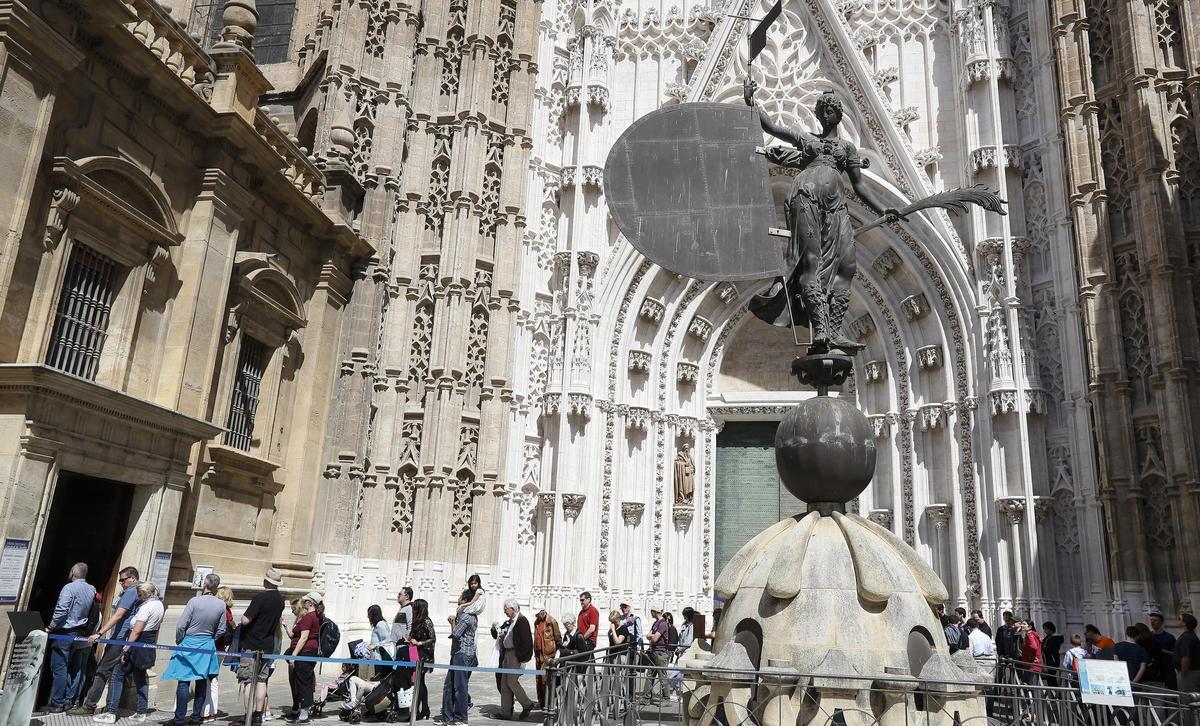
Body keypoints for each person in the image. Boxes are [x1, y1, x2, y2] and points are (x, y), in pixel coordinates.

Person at [741, 79, 901, 349]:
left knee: (847, 265)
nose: (824, 115)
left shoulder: (847, 148)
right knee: (810, 262)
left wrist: (882, 209)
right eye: (820, 111)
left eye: (829, 110)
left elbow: (859, 185)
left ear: (838, 114)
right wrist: (752, 102)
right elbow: (772, 127)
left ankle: (834, 330)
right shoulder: (807, 139)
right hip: (805, 196)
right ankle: (821, 329)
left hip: (836, 206)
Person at [73, 566, 141, 716]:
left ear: (133, 578)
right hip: (124, 639)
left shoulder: (131, 592)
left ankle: (89, 706)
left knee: (102, 671)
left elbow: (118, 615)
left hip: (118, 639)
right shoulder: (137, 592)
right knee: (116, 675)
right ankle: (111, 708)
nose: (120, 583)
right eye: (120, 580)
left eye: (123, 580)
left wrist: (99, 633)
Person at [163, 574, 226, 726]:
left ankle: (179, 719)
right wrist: (211, 638)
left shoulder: (194, 601)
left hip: (189, 642)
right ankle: (196, 718)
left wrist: (180, 639)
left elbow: (181, 625)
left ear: (205, 585)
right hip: (207, 643)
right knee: (201, 682)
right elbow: (222, 629)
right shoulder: (221, 605)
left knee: (183, 682)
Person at [95, 582, 161, 723]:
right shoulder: (159, 604)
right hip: (147, 644)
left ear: (147, 593)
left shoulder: (146, 607)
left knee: (117, 675)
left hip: (136, 645)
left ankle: (111, 712)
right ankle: (141, 712)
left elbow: (136, 631)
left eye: (140, 594)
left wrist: (126, 649)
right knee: (140, 678)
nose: (138, 597)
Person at [236, 567, 286, 726]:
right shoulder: (280, 600)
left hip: (252, 644)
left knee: (248, 681)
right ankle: (258, 715)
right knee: (262, 680)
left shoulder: (260, 598)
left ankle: (248, 715)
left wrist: (242, 619)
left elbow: (246, 620)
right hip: (268, 645)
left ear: (266, 581)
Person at [45, 562, 96, 714]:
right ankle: (69, 701)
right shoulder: (91, 588)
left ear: (72, 573)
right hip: (80, 633)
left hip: (65, 632)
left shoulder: (69, 588)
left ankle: (57, 703)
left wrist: (51, 626)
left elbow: (61, 609)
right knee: (76, 667)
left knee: (59, 667)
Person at [440, 589, 479, 726]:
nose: (459, 599)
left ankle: (461, 718)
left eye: (461, 597)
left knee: (460, 687)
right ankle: (448, 717)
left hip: (462, 654)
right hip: (457, 653)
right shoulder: (464, 615)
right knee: (449, 685)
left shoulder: (467, 616)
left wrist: (452, 622)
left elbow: (456, 633)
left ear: (465, 601)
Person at [285, 592, 322, 724]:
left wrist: (293, 656)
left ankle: (304, 714)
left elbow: (304, 638)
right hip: (310, 652)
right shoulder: (317, 616)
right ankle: (302, 711)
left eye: (305, 601)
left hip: (306, 652)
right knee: (304, 681)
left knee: (303, 682)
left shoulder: (309, 617)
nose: (303, 603)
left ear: (310, 603)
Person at [202, 586, 238, 723]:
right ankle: (211, 712)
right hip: (221, 648)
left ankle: (207, 712)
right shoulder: (228, 612)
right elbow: (233, 627)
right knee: (213, 679)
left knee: (209, 679)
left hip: (213, 647)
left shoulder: (219, 610)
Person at [497, 599, 534, 720]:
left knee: (512, 682)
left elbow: (527, 642)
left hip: (515, 655)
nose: (505, 612)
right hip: (507, 654)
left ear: (512, 609)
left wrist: (521, 658)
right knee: (504, 684)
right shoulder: (512, 621)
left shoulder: (522, 620)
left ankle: (527, 704)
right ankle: (505, 712)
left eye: (506, 610)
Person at [408, 598, 436, 720]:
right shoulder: (416, 621)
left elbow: (432, 638)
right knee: (419, 682)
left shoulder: (426, 621)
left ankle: (421, 710)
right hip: (415, 653)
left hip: (424, 654)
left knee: (420, 682)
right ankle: (423, 709)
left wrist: (420, 643)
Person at [532, 605, 561, 708]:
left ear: (542, 612)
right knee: (539, 679)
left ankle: (548, 703)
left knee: (546, 680)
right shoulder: (536, 622)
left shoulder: (552, 621)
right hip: (538, 654)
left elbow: (558, 638)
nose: (536, 615)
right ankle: (542, 702)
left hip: (548, 655)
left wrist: (552, 652)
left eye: (537, 613)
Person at [640, 607, 671, 703]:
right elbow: (648, 636)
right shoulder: (656, 623)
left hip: (660, 652)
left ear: (655, 612)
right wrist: (653, 636)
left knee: (662, 676)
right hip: (653, 652)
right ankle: (646, 697)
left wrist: (653, 636)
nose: (650, 614)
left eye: (651, 612)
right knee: (650, 675)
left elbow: (654, 639)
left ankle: (666, 699)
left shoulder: (663, 623)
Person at [1148, 612, 1177, 689]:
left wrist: (1162, 651)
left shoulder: (1169, 637)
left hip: (1167, 668)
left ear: (1161, 622)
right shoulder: (1148, 636)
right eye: (1151, 620)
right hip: (1153, 670)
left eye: (1155, 620)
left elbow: (1175, 653)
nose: (1152, 622)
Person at [366, 604, 394, 678]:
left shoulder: (380, 624)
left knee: (379, 677)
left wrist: (375, 645)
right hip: (377, 657)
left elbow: (388, 640)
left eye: (369, 614)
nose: (368, 616)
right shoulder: (379, 624)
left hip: (380, 658)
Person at [1175, 612, 1199, 692]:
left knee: (1187, 695)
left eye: (1179, 619)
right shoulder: (1190, 635)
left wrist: (1183, 674)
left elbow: (1186, 657)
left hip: (1189, 673)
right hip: (1191, 672)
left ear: (1184, 623)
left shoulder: (1186, 637)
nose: (1177, 621)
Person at [1016, 620, 1043, 686]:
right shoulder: (1032, 634)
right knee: (1031, 685)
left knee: (1031, 686)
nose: (1022, 625)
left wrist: (1031, 657)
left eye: (1024, 624)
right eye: (1022, 624)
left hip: (1031, 665)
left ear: (1030, 627)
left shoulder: (1030, 636)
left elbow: (1034, 647)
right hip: (1032, 665)